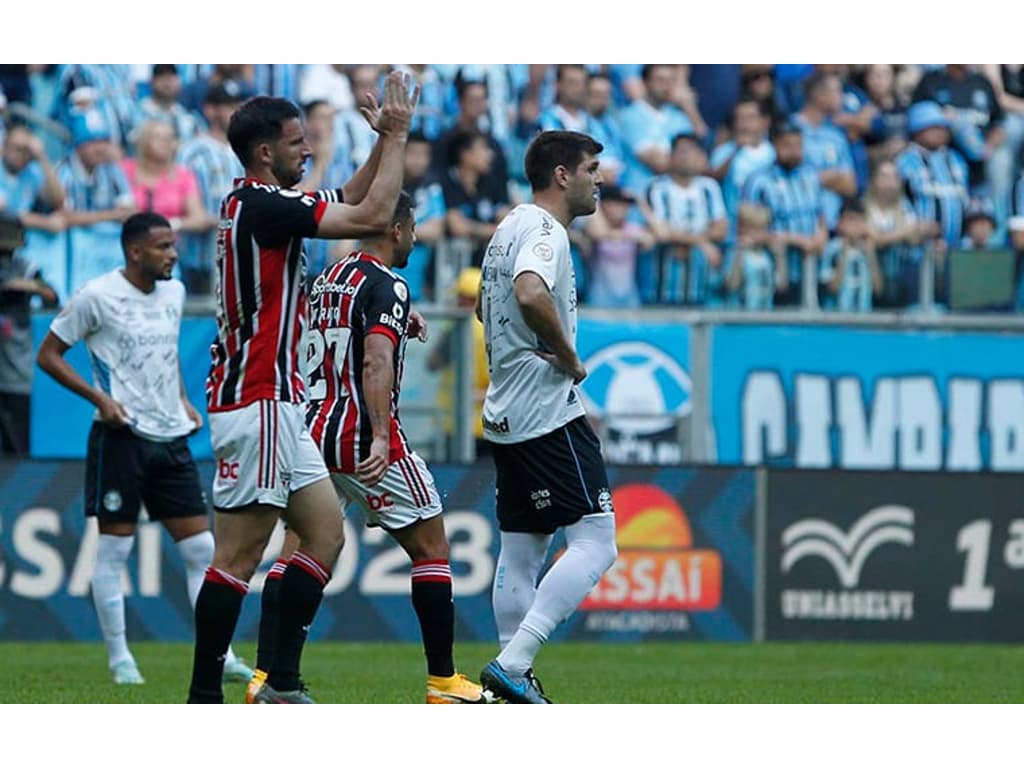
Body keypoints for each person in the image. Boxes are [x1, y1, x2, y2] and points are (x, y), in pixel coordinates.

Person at [186, 71, 418, 705]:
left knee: (324, 533)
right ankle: (203, 696)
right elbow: (372, 214)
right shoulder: (260, 205)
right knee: (238, 556)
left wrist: (379, 149)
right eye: (297, 143)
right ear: (266, 153)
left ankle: (279, 686)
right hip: (254, 399)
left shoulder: (263, 205)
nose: (308, 150)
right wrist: (396, 137)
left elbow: (348, 194)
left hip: (281, 403)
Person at [35, 212, 251, 685]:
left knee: (202, 550)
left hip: (171, 437)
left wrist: (181, 399)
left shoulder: (173, 293)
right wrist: (101, 399)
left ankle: (223, 655)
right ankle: (120, 661)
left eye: (173, 245)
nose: (173, 254)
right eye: (163, 247)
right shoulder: (96, 297)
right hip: (121, 438)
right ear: (135, 252)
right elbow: (47, 355)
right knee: (114, 552)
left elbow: (166, 355)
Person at [305, 190, 488, 704]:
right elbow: (374, 363)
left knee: (304, 548)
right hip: (364, 436)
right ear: (396, 228)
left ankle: (268, 677)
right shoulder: (388, 283)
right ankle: (445, 682)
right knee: (431, 548)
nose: (415, 236)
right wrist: (383, 435)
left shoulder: (329, 278)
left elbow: (341, 334)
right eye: (414, 226)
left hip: (315, 432)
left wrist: (394, 321)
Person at [475, 130, 618, 703]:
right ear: (562, 175)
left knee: (522, 549)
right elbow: (531, 293)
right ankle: (515, 661)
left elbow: (488, 311)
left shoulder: (507, 226)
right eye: (591, 168)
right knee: (596, 543)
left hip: (507, 411)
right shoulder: (545, 232)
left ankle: (508, 690)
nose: (598, 179)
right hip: (545, 412)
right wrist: (567, 355)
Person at [0, 215, 57, 454]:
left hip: (15, 364)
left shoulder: (26, 267)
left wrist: (30, 287)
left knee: (17, 443)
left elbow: (52, 295)